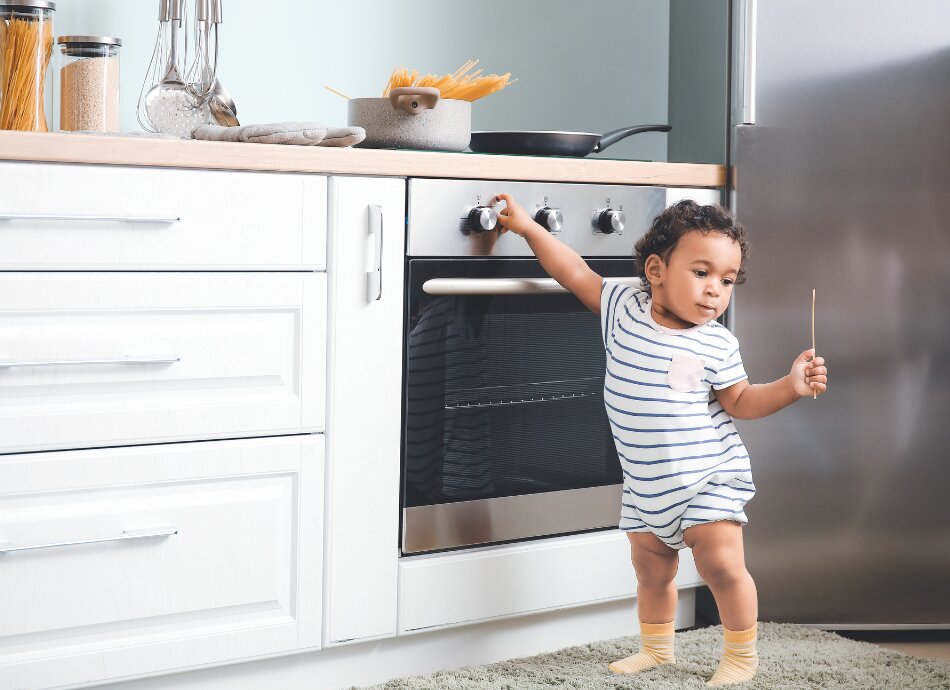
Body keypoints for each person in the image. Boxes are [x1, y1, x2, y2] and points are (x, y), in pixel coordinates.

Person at [494, 193, 828, 687]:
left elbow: (741, 401)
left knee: (722, 566)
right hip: (646, 488)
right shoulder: (622, 307)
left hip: (706, 481)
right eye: (701, 273)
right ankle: (657, 650)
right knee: (652, 572)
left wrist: (790, 387)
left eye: (727, 280)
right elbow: (572, 271)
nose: (715, 290)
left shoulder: (717, 342)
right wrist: (527, 228)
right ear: (655, 270)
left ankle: (740, 656)